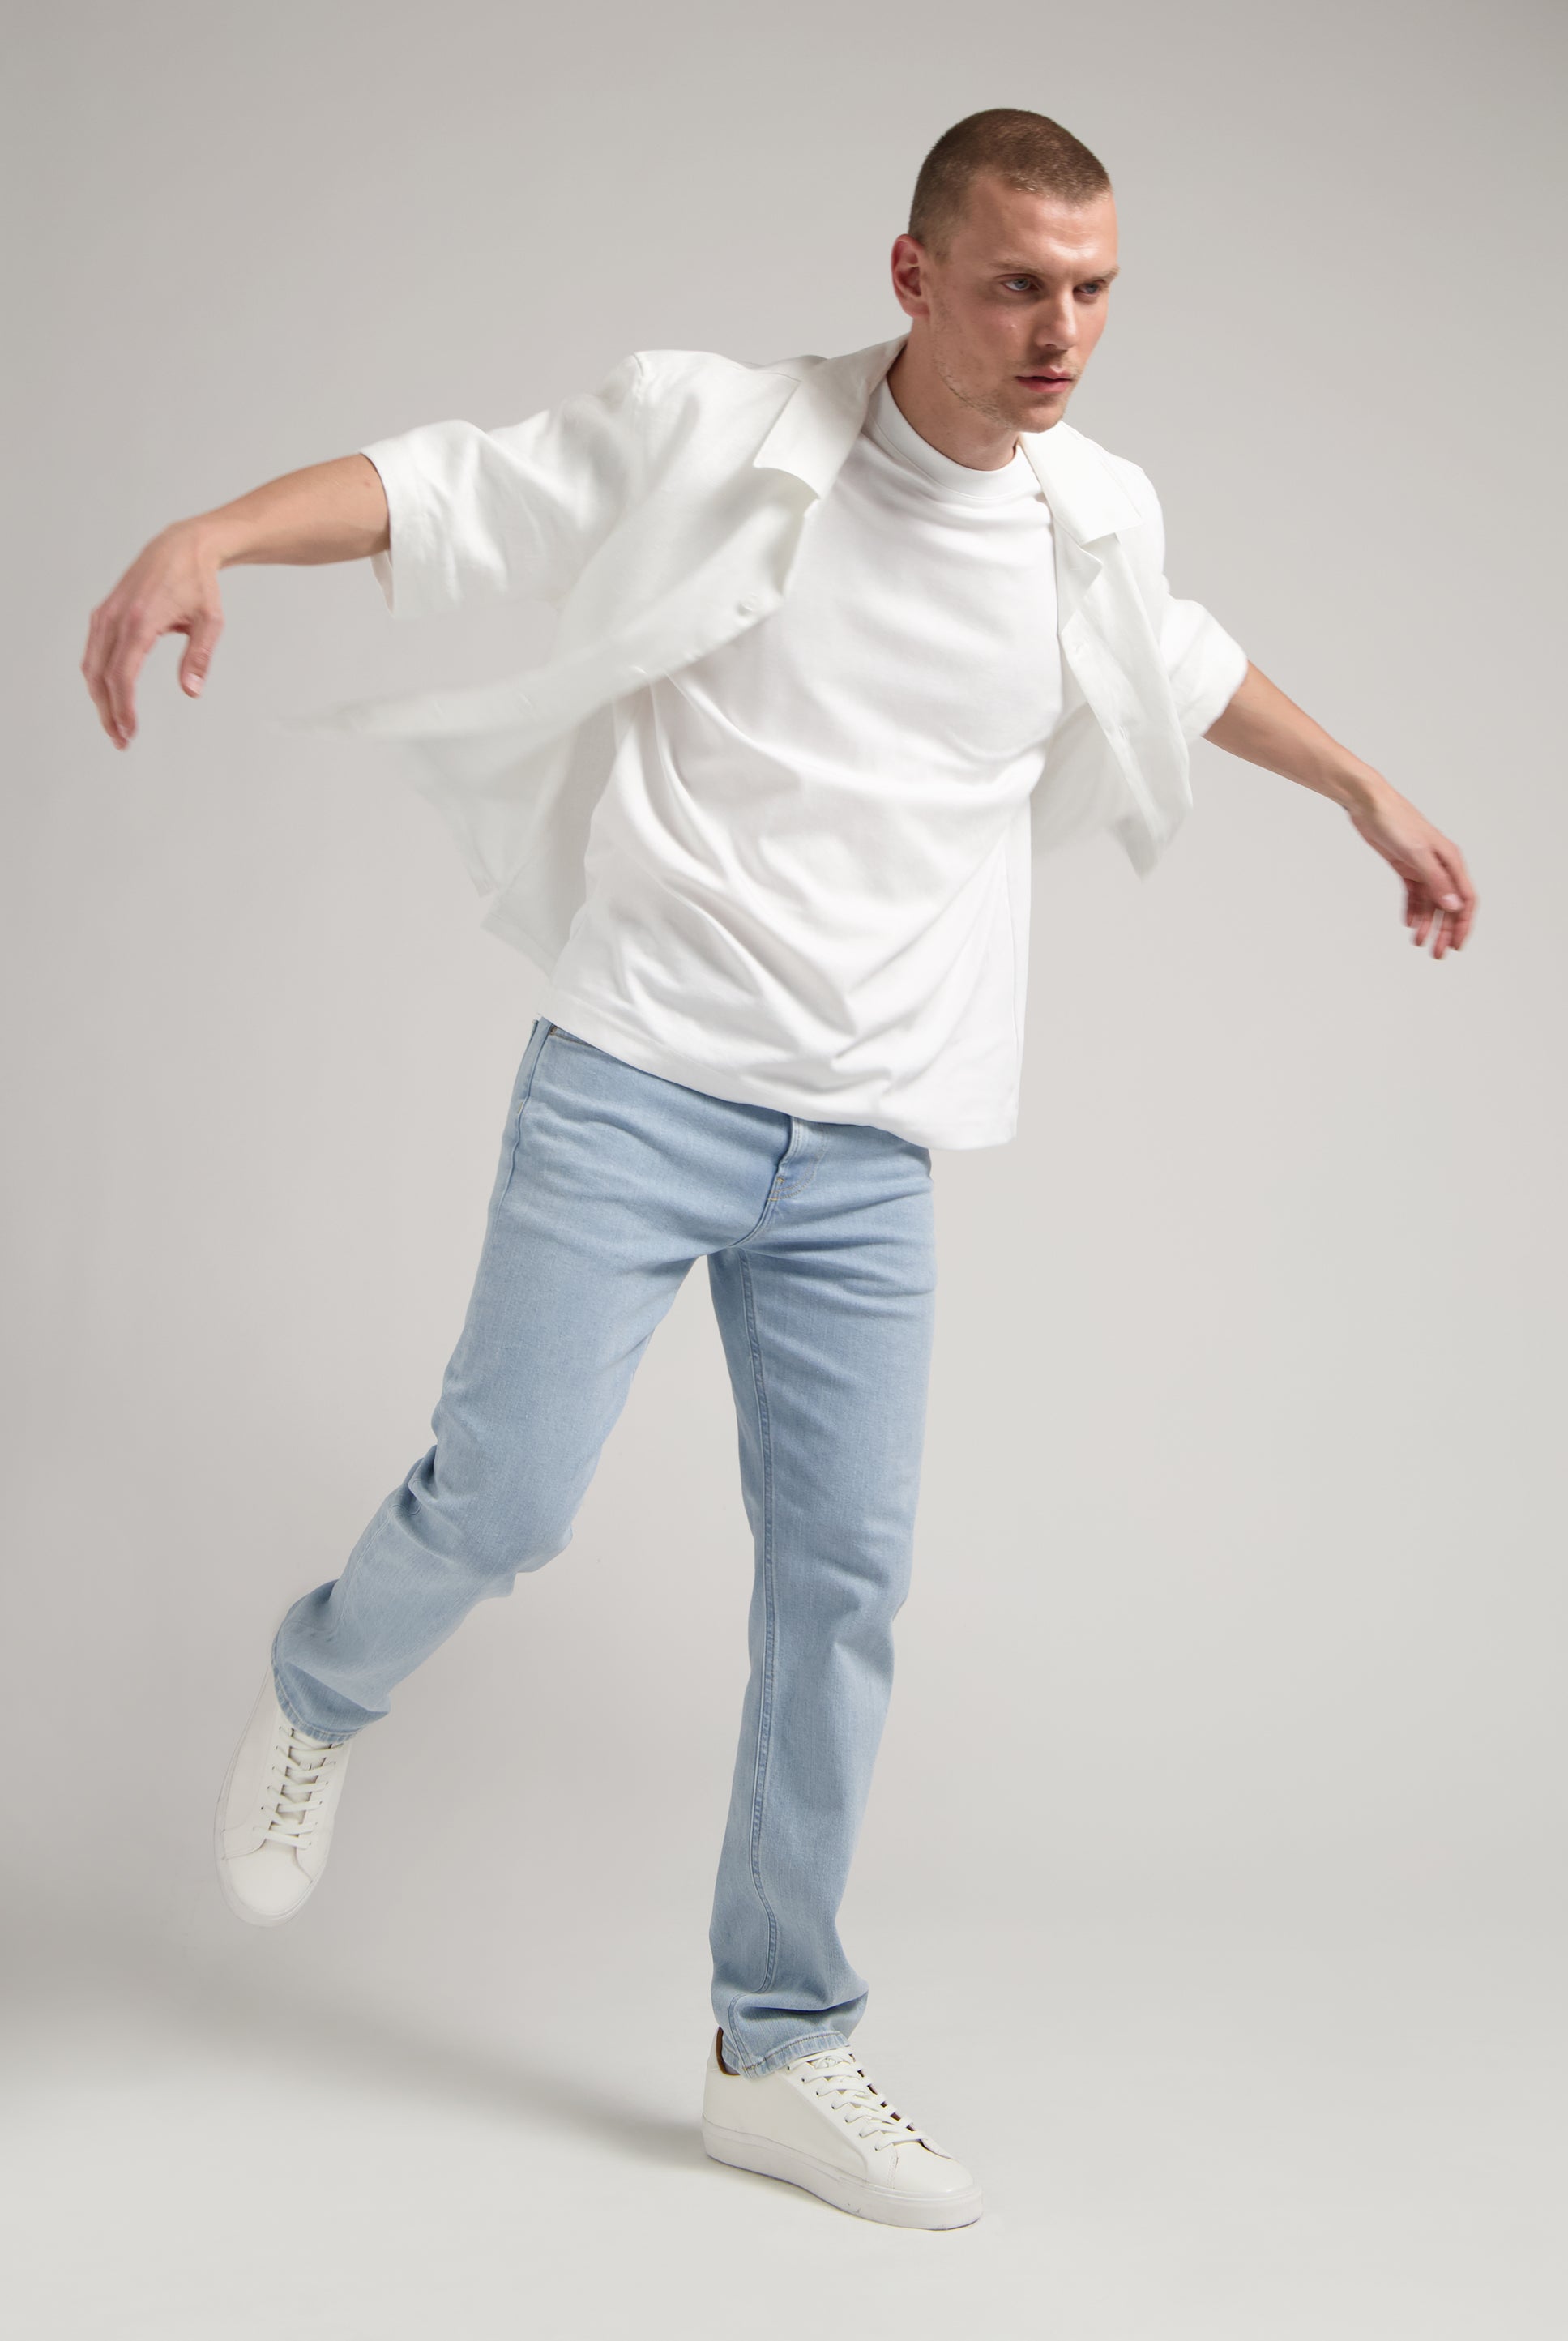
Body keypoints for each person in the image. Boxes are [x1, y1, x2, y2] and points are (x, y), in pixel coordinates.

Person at [79, 108, 1476, 2232]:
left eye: (1095, 290)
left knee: (842, 1588)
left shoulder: (1091, 519)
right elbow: (452, 489)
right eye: (1019, 286)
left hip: (869, 1152)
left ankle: (778, 2043)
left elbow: (1182, 660)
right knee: (507, 1500)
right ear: (913, 278)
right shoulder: (719, 434)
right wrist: (212, 530)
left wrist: (1365, 787)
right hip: (640, 1078)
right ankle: (316, 1685)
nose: (1062, 332)